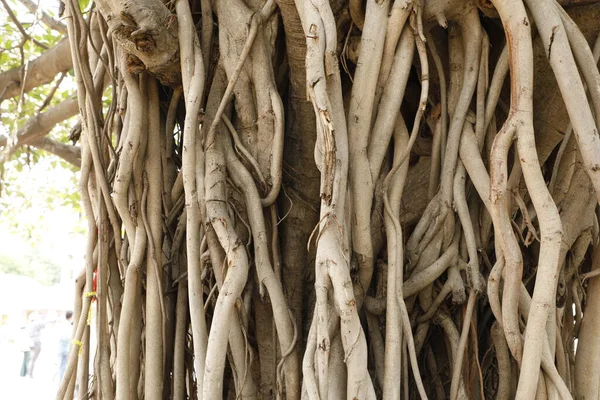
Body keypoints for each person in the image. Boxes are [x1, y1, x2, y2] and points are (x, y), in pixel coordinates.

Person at [58, 310, 73, 381]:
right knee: (64, 366)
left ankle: (62, 381)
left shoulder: (64, 324)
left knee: (63, 366)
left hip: (63, 348)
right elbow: (65, 337)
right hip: (65, 349)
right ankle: (62, 382)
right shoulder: (66, 325)